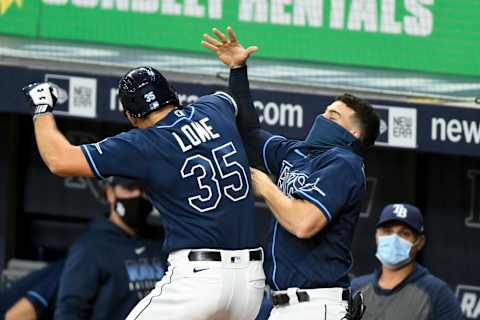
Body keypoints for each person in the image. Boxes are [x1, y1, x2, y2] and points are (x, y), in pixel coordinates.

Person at [23, 65, 265, 320]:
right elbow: (239, 109)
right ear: (172, 95)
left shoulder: (144, 143)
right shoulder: (213, 108)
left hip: (198, 281)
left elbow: (59, 160)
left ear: (131, 116)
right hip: (250, 285)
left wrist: (42, 108)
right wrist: (238, 69)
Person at [202, 27, 380, 320]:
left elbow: (304, 223)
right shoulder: (295, 153)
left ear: (354, 133)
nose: (322, 118)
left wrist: (267, 188)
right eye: (325, 111)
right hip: (283, 305)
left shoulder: (344, 163)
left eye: (333, 116)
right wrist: (237, 70)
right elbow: (248, 134)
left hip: (317, 304)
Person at [54, 177, 165, 320]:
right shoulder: (89, 248)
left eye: (144, 189)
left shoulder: (165, 240)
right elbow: (70, 311)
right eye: (130, 188)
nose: (138, 195)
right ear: (110, 193)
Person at [351, 203, 465, 320]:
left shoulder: (437, 294)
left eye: (404, 233)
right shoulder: (356, 288)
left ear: (420, 242)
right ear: (377, 235)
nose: (394, 239)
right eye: (387, 231)